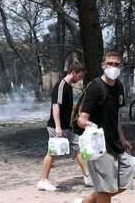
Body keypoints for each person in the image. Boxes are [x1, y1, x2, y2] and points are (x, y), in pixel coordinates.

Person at [74, 51, 133, 203]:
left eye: (116, 64)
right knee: (105, 190)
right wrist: (86, 123)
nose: (113, 67)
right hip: (100, 147)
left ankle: (87, 201)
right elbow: (81, 118)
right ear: (103, 65)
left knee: (125, 182)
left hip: (116, 144)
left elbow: (115, 116)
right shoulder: (95, 87)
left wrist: (123, 139)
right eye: (110, 64)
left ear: (121, 66)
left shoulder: (119, 86)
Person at [37, 62, 93, 191]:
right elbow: (56, 105)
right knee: (52, 152)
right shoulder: (61, 86)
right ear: (73, 72)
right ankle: (43, 181)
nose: (80, 79)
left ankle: (87, 176)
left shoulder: (68, 87)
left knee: (79, 146)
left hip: (67, 127)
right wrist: (58, 127)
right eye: (79, 76)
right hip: (57, 127)